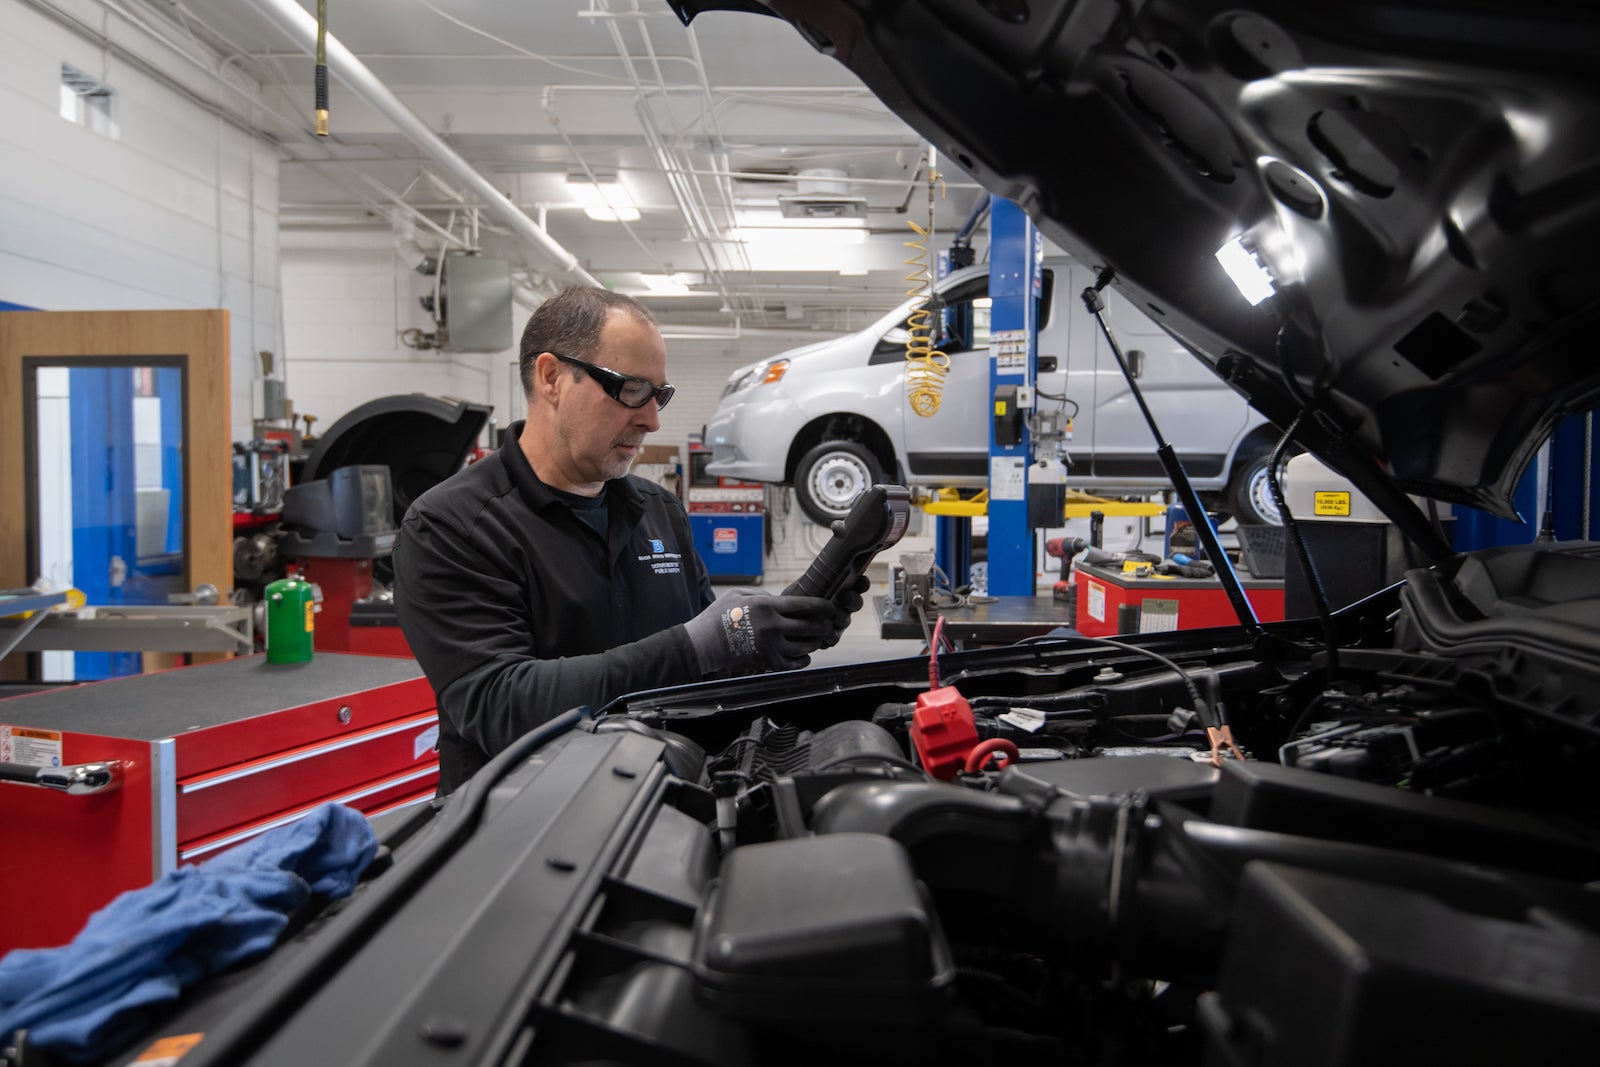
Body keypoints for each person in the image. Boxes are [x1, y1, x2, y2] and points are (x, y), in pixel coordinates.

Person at [394, 286, 863, 794]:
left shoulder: (657, 511)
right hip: (524, 825)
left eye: (659, 394)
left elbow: (709, 671)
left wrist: (770, 638)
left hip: (666, 802)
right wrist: (697, 647)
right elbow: (502, 706)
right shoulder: (450, 526)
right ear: (551, 377)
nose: (651, 418)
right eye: (632, 389)